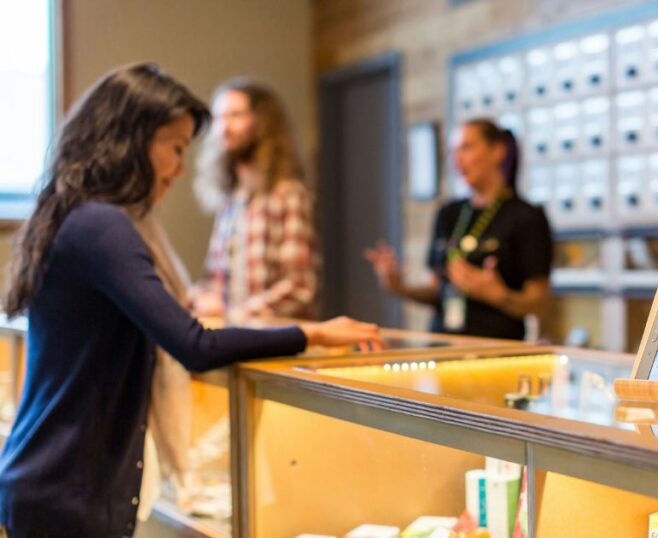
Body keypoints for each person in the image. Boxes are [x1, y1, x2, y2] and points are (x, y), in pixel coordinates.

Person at [0, 63, 382, 537]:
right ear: (134, 139)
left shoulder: (81, 216)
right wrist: (313, 332)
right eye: (176, 147)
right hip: (67, 491)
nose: (181, 168)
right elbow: (193, 344)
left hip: (60, 484)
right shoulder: (101, 225)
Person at [364, 119, 553, 340]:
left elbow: (539, 303)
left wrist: (498, 295)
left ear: (497, 151)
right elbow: (437, 291)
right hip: (443, 346)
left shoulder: (526, 217)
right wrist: (397, 286)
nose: (457, 159)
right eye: (453, 151)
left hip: (496, 350)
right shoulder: (449, 213)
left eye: (467, 148)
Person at [192, 78, 317, 320]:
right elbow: (213, 281)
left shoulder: (288, 195)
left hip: (277, 345)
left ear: (262, 122)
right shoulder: (231, 200)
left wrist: (232, 314)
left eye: (235, 115)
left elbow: (299, 288)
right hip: (236, 342)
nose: (224, 128)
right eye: (220, 117)